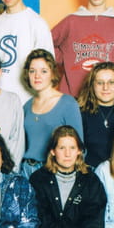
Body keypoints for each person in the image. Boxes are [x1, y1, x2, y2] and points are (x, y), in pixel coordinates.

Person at [29, 125, 106, 228]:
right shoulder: (38, 179)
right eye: (62, 148)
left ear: (79, 151)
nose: (67, 154)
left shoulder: (91, 181)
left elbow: (94, 223)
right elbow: (38, 220)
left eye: (72, 148)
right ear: (53, 151)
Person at [21, 49, 84, 177]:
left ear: (52, 74)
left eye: (43, 71)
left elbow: (79, 147)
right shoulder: (27, 106)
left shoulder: (68, 103)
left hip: (54, 170)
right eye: (32, 71)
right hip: (26, 170)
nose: (37, 76)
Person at [78, 61, 114, 169]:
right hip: (89, 172)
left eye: (111, 82)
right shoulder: (80, 114)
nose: (105, 88)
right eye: (100, 83)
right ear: (92, 85)